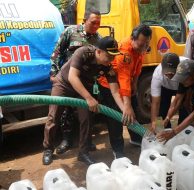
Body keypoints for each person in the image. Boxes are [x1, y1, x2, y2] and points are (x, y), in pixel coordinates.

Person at [42, 36, 133, 165]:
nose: (111, 60)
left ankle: (83, 153)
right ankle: (48, 149)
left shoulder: (107, 66)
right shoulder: (83, 53)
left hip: (85, 87)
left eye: (113, 56)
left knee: (87, 118)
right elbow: (73, 77)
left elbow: (114, 91)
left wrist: (124, 109)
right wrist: (89, 98)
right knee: (53, 116)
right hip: (64, 83)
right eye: (109, 56)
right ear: (99, 52)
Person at [50, 8, 101, 155]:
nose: (96, 26)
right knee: (66, 112)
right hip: (68, 80)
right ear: (85, 21)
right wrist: (54, 72)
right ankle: (66, 140)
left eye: (98, 23)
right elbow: (56, 52)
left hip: (86, 83)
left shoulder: (98, 39)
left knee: (87, 114)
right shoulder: (71, 32)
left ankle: (86, 142)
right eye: (93, 22)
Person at [98, 24, 152, 158]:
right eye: (141, 45)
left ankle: (135, 138)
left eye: (146, 45)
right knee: (117, 116)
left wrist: (135, 84)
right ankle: (118, 150)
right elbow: (123, 78)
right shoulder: (124, 51)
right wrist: (126, 105)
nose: (143, 48)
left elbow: (138, 66)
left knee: (134, 111)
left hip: (127, 82)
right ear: (132, 39)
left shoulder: (141, 46)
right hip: (110, 85)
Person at [150, 53, 189, 130]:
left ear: (178, 68)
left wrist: (187, 100)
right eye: (167, 73)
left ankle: (183, 130)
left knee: (185, 108)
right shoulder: (157, 75)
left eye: (172, 73)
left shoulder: (186, 68)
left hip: (184, 86)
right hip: (165, 87)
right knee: (162, 111)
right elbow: (155, 102)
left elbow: (177, 101)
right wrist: (153, 122)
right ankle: (163, 131)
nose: (169, 75)